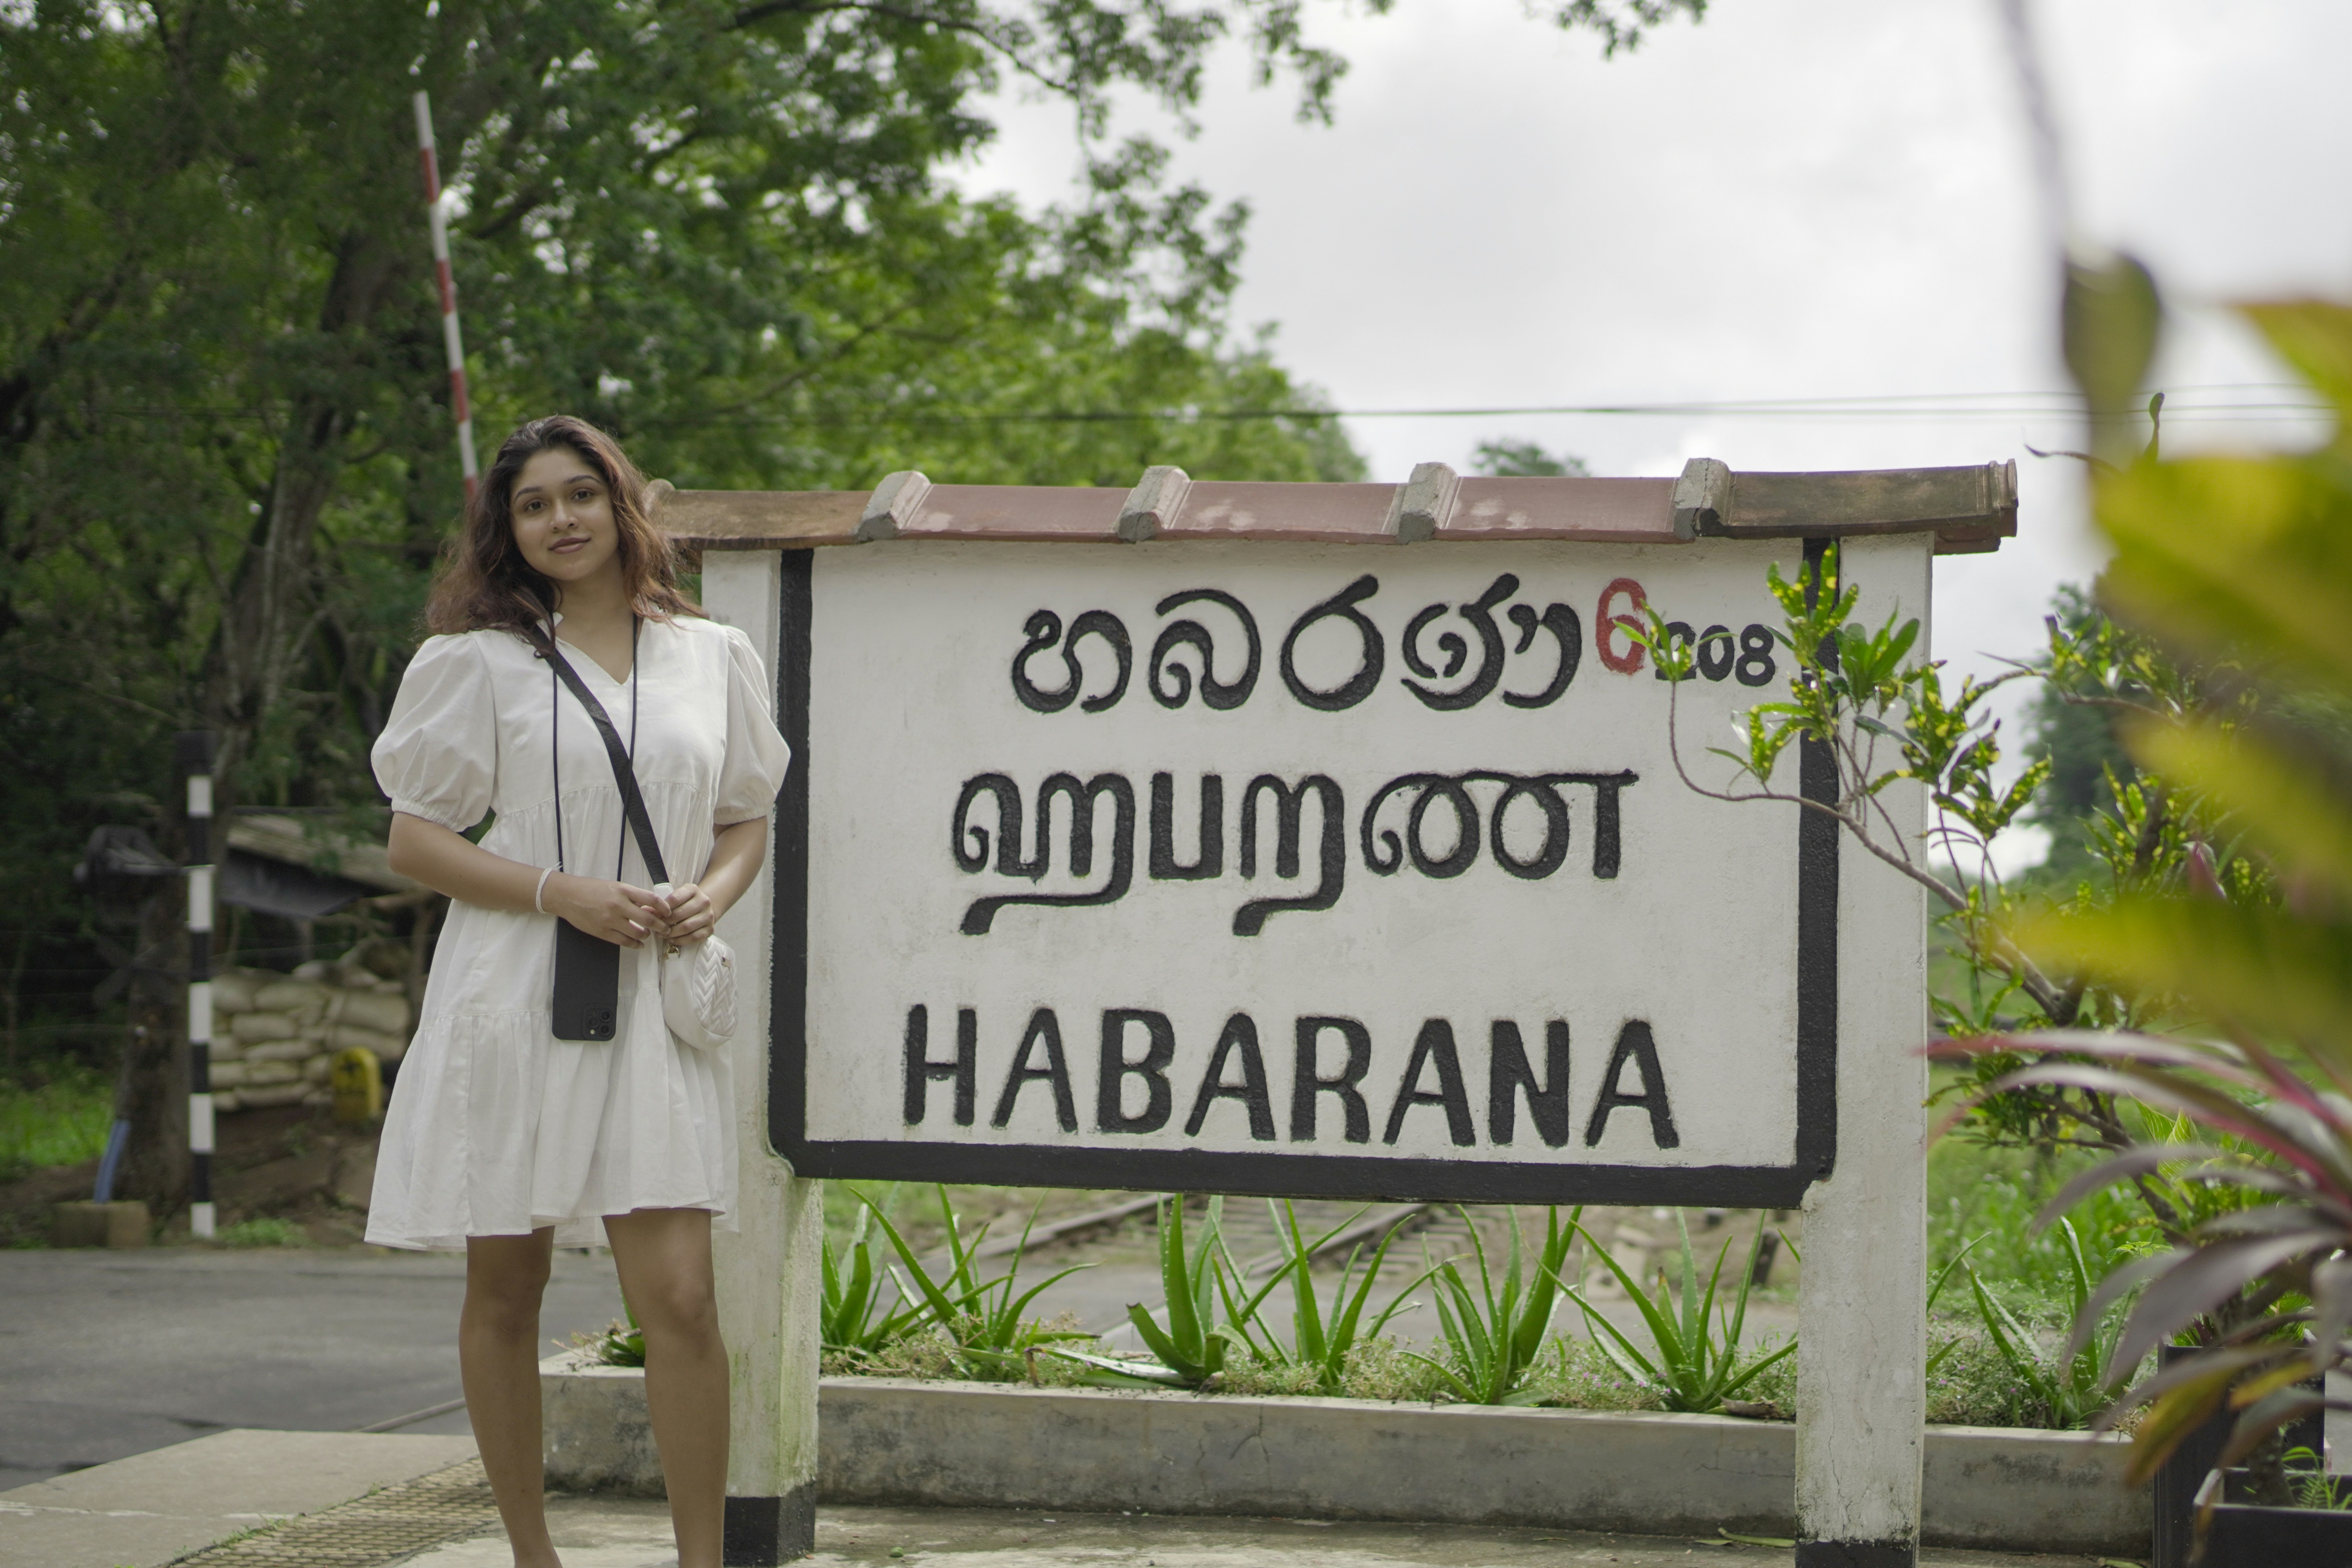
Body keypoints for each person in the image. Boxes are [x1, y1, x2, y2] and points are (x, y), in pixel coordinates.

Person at [369, 415, 791, 1568]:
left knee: (682, 1300)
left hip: (650, 1007)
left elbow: (748, 813)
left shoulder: (713, 656)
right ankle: (532, 1556)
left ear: (621, 507)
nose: (561, 520)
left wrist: (712, 892)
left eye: (579, 495)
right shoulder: (475, 661)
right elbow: (414, 840)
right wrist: (561, 890)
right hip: (514, 993)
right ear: (508, 532)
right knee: (509, 1285)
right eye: (533, 505)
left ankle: (701, 1560)